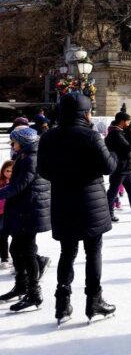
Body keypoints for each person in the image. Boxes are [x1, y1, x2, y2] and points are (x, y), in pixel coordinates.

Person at [38, 94, 118, 324]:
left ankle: (62, 304)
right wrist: (112, 151)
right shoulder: (91, 136)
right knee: (93, 251)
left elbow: (43, 171)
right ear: (85, 113)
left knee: (67, 252)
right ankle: (94, 300)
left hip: (63, 201)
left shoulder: (48, 137)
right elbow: (109, 167)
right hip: (90, 202)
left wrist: (63, 176)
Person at [0, 128, 51, 311]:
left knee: (27, 251)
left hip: (29, 211)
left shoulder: (31, 158)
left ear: (23, 142)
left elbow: (19, 185)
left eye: (14, 142)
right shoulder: (25, 156)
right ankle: (22, 286)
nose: (12, 145)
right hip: (25, 209)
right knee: (16, 248)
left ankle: (34, 292)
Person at [0, 160, 12, 269]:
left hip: (11, 213)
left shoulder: (16, 182)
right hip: (1, 213)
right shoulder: (1, 182)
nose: (9, 173)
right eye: (7, 171)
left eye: (11, 171)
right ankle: (4, 257)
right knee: (2, 236)